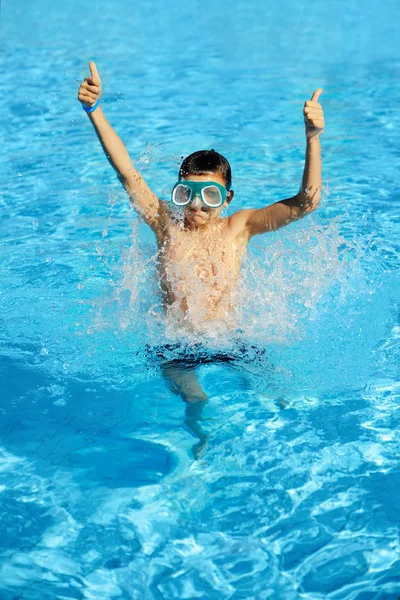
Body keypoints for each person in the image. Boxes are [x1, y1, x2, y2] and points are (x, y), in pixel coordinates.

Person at [78, 62, 325, 457]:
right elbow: (127, 172)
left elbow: (306, 203)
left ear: (227, 199)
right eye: (187, 193)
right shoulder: (165, 223)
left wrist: (313, 137)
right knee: (197, 401)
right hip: (175, 343)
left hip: (229, 337)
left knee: (278, 390)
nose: (196, 205)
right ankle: (202, 449)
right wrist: (95, 111)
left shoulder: (239, 227)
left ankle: (291, 447)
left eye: (209, 195)